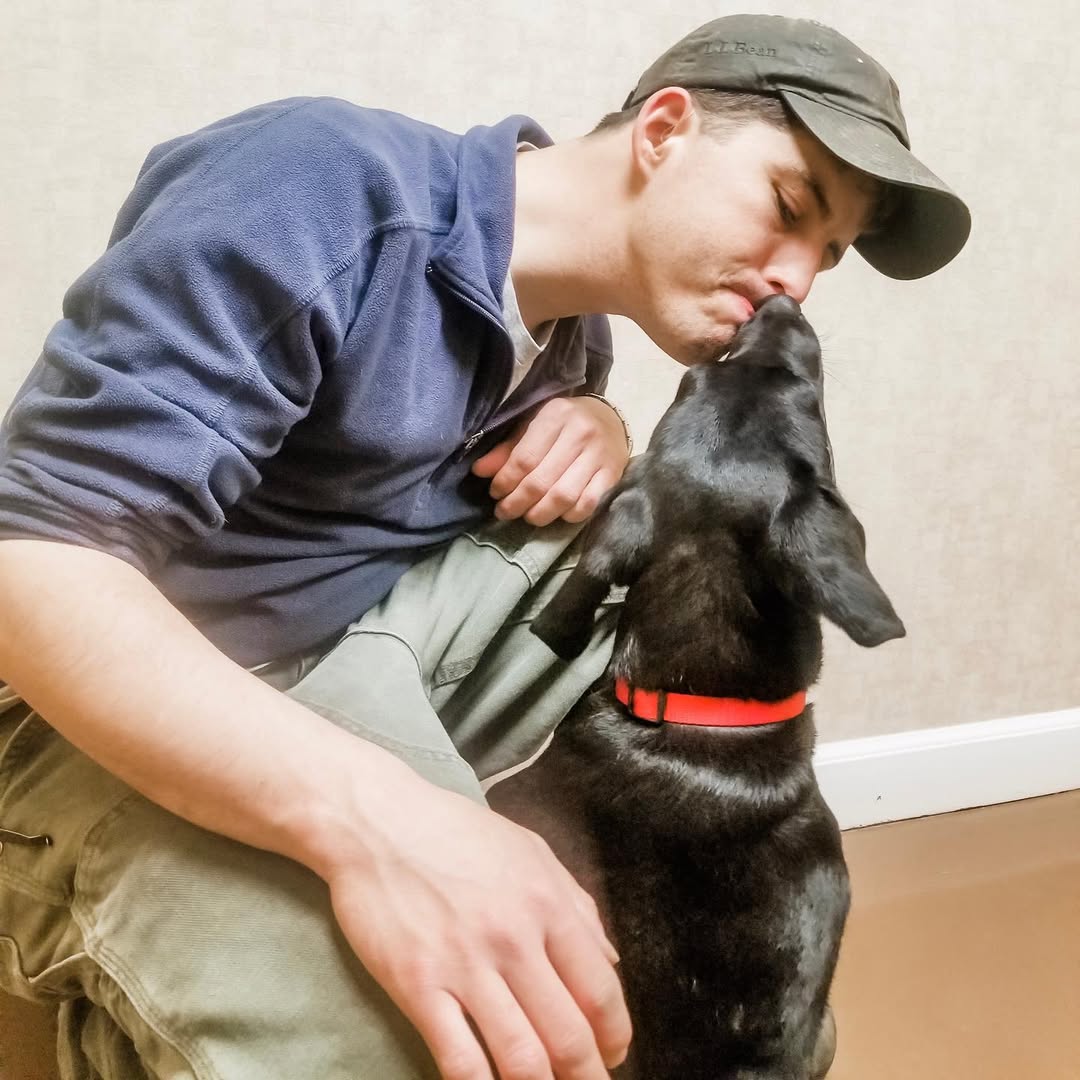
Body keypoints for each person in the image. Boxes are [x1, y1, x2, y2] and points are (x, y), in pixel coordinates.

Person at [0, 13, 969, 1080]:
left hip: (358, 640)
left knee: (693, 577)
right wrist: (384, 826)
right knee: (409, 1046)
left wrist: (598, 430)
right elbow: (30, 559)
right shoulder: (320, 185)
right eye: (791, 206)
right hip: (62, 712)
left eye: (826, 255)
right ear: (665, 128)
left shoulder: (572, 337)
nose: (800, 279)